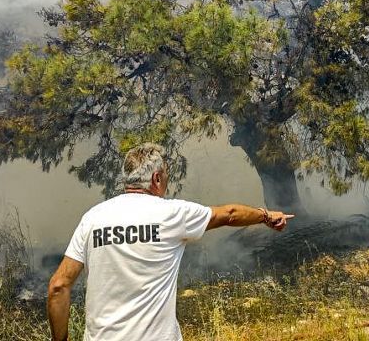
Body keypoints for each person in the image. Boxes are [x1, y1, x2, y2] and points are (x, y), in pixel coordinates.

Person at [46, 143, 294, 341]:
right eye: (165, 176)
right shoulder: (172, 214)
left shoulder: (93, 218)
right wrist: (265, 216)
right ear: (156, 179)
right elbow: (229, 214)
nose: (166, 182)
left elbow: (58, 286)